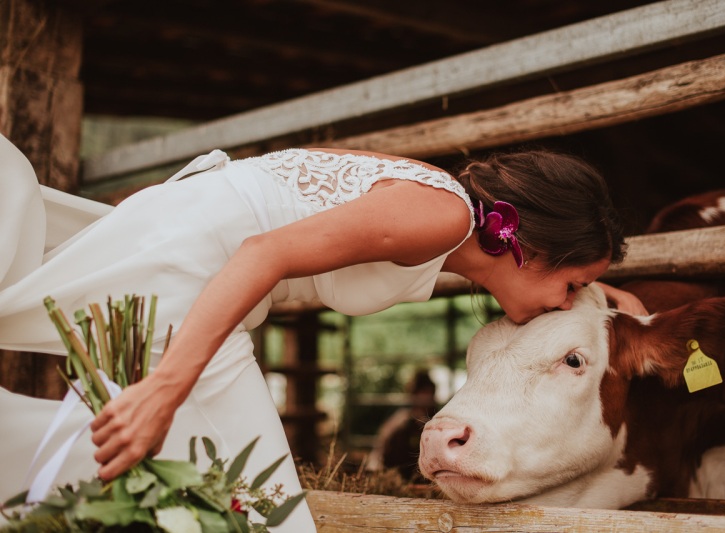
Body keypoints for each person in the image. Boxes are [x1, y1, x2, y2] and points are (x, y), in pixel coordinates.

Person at [0, 134, 645, 531]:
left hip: (184, 264)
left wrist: (615, 301)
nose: (567, 305)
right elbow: (260, 254)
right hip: (192, 283)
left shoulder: (440, 207)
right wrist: (169, 385)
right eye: (569, 287)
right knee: (267, 509)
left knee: (126, 470)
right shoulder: (439, 216)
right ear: (531, 251)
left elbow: (258, 206)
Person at [366, 369, 438, 480]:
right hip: (400, 472)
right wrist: (375, 463)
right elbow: (382, 441)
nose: (427, 397)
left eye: (430, 393)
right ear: (414, 394)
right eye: (423, 392)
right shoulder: (402, 417)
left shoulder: (436, 418)